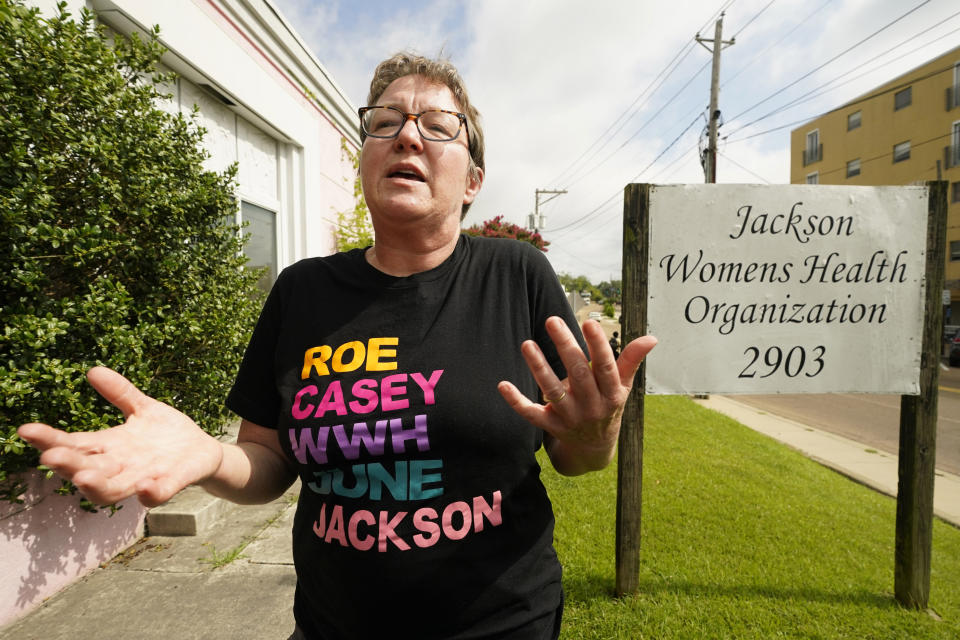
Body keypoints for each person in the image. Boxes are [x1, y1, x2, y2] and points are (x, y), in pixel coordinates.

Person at [17, 52, 657, 640]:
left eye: (438, 125)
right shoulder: (303, 292)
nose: (408, 135)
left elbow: (576, 456)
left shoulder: (516, 276)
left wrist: (598, 432)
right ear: (364, 161)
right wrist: (210, 458)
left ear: (473, 182)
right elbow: (267, 463)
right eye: (385, 123)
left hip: (500, 625)